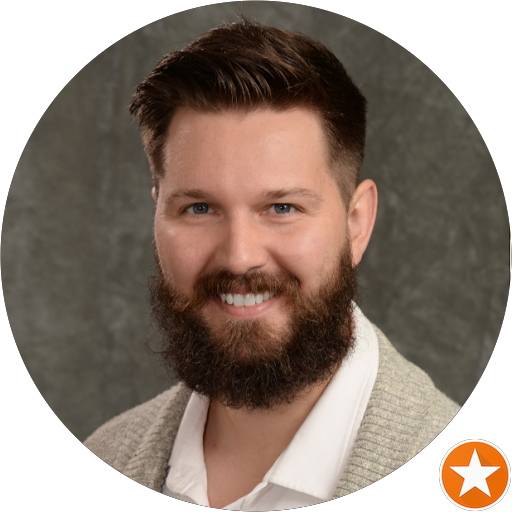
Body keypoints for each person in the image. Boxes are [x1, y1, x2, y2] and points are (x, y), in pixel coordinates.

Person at [84, 16, 459, 508]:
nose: (240, 257)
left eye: (282, 208)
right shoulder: (108, 453)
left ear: (356, 224)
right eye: (199, 208)